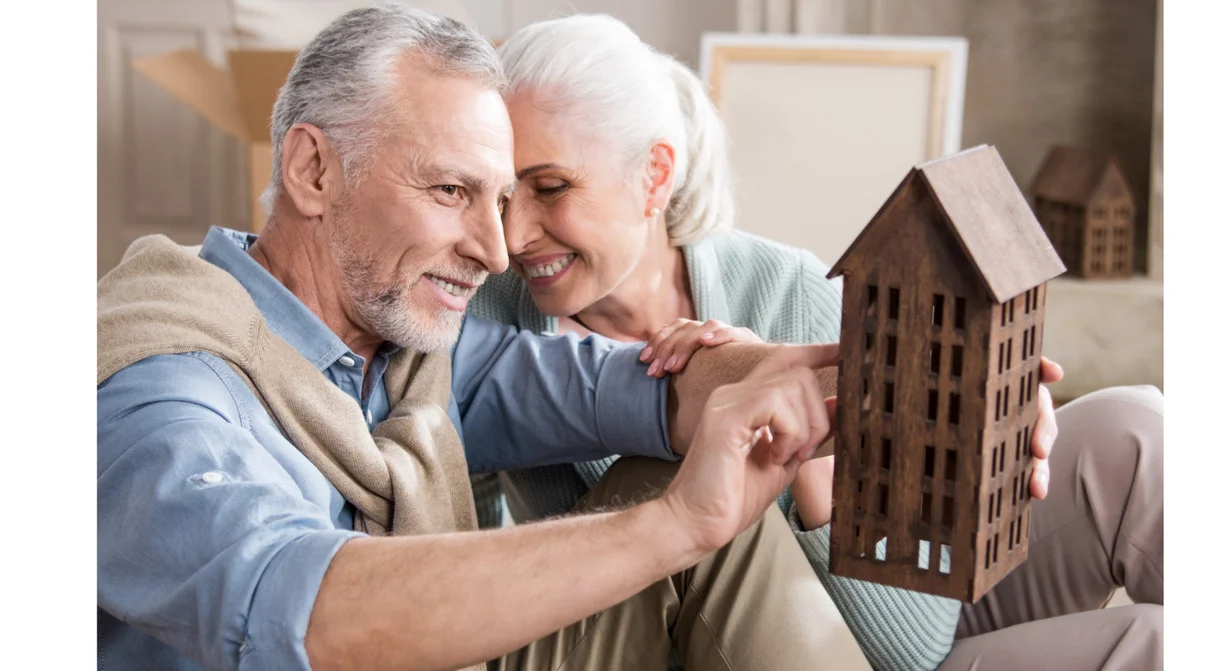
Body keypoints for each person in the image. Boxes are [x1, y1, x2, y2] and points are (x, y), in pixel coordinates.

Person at [96, 7, 920, 670]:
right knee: (678, 518)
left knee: (666, 477)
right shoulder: (161, 388)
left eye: (500, 200)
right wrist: (674, 524)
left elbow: (639, 386)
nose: (497, 249)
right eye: (452, 190)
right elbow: (302, 617)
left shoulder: (411, 358)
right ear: (314, 170)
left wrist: (892, 390)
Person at [468, 14, 1163, 670]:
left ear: (654, 175)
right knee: (1157, 642)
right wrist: (779, 430)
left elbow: (914, 629)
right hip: (799, 647)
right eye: (500, 197)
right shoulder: (489, 332)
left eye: (550, 188)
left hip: (899, 618)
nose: (513, 236)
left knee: (1134, 431)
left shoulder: (786, 289)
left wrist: (978, 423)